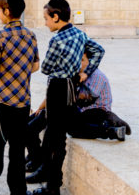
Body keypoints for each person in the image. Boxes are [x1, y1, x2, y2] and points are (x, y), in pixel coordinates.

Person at [31, 0, 104, 195]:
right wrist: (85, 73)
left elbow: (45, 68)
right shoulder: (80, 34)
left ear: (56, 17)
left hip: (57, 88)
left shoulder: (56, 40)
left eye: (46, 18)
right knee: (59, 137)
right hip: (72, 86)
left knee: (55, 138)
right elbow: (98, 51)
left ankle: (52, 188)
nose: (45, 22)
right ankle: (52, 183)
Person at [26, 48, 130, 183]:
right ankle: (35, 158)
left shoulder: (96, 76)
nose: (79, 63)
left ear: (91, 61)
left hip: (96, 111)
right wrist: (41, 109)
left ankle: (110, 131)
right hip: (80, 110)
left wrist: (66, 89)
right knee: (37, 121)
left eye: (83, 60)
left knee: (70, 128)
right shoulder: (75, 73)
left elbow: (82, 99)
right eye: (77, 60)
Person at [0, 0, 39, 195]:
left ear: (6, 11)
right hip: (23, 100)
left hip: (1, 100)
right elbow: (35, 66)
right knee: (17, 149)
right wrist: (18, 71)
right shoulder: (31, 35)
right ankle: (18, 190)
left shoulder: (0, 36)